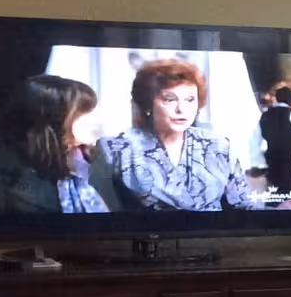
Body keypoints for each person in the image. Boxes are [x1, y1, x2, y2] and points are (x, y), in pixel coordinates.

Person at [97, 59, 260, 212]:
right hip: (147, 239)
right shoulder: (116, 149)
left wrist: (280, 213)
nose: (181, 109)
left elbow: (242, 206)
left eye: (190, 100)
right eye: (170, 99)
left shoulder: (218, 145)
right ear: (147, 103)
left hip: (213, 239)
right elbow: (99, 214)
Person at [0, 74, 108, 216]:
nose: (97, 120)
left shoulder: (92, 161)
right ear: (55, 122)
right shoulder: (1, 177)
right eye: (85, 112)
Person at [257, 83, 291, 195]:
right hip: (287, 160)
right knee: (288, 189)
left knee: (273, 189)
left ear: (276, 98)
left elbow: (257, 139)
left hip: (271, 159)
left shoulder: (265, 116)